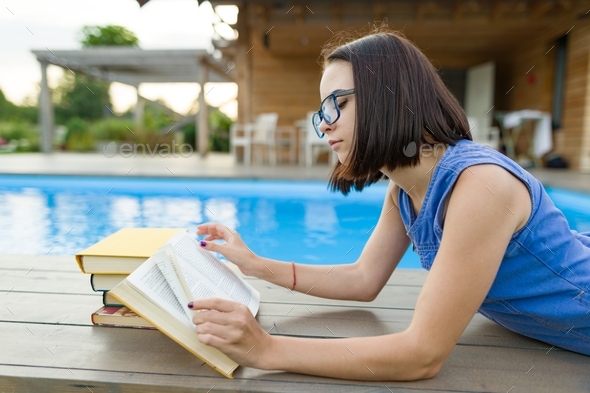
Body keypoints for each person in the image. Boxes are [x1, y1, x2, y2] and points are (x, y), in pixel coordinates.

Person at [189, 29, 590, 381]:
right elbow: (364, 278)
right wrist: (255, 264)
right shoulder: (404, 190)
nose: (324, 123)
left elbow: (421, 355)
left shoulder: (479, 185)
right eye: (321, 111)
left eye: (337, 104)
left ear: (389, 95)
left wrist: (267, 350)